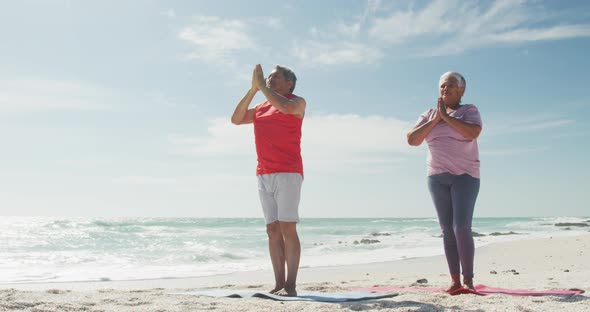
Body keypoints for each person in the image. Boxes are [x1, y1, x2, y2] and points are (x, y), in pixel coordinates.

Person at [230, 64, 306, 296]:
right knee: (272, 230)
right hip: (263, 172)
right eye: (268, 78)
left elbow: (283, 105)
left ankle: (291, 286)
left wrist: (263, 87)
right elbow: (236, 119)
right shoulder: (262, 106)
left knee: (287, 228)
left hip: (288, 172)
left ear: (289, 83)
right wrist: (254, 89)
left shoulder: (297, 102)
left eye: (275, 77)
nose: (270, 80)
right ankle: (279, 284)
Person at [406, 71, 482, 293]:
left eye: (450, 86)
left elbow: (474, 132)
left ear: (461, 90)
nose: (445, 89)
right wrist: (436, 119)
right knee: (447, 229)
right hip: (437, 177)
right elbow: (412, 140)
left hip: (465, 176)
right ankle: (454, 280)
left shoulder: (469, 111)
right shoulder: (429, 114)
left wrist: (447, 118)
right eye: (441, 86)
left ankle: (468, 279)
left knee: (461, 227)